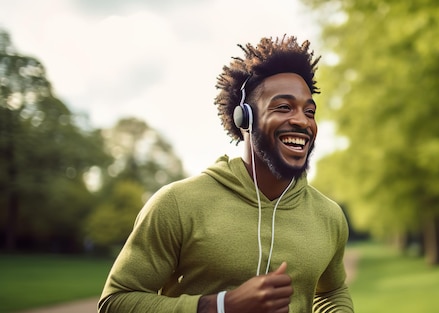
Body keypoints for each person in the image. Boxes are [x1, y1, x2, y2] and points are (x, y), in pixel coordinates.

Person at [98, 35, 355, 313]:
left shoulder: (329, 216)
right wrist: (221, 306)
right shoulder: (177, 204)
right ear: (244, 118)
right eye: (283, 107)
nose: (302, 121)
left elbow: (332, 292)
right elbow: (115, 302)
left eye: (309, 111)